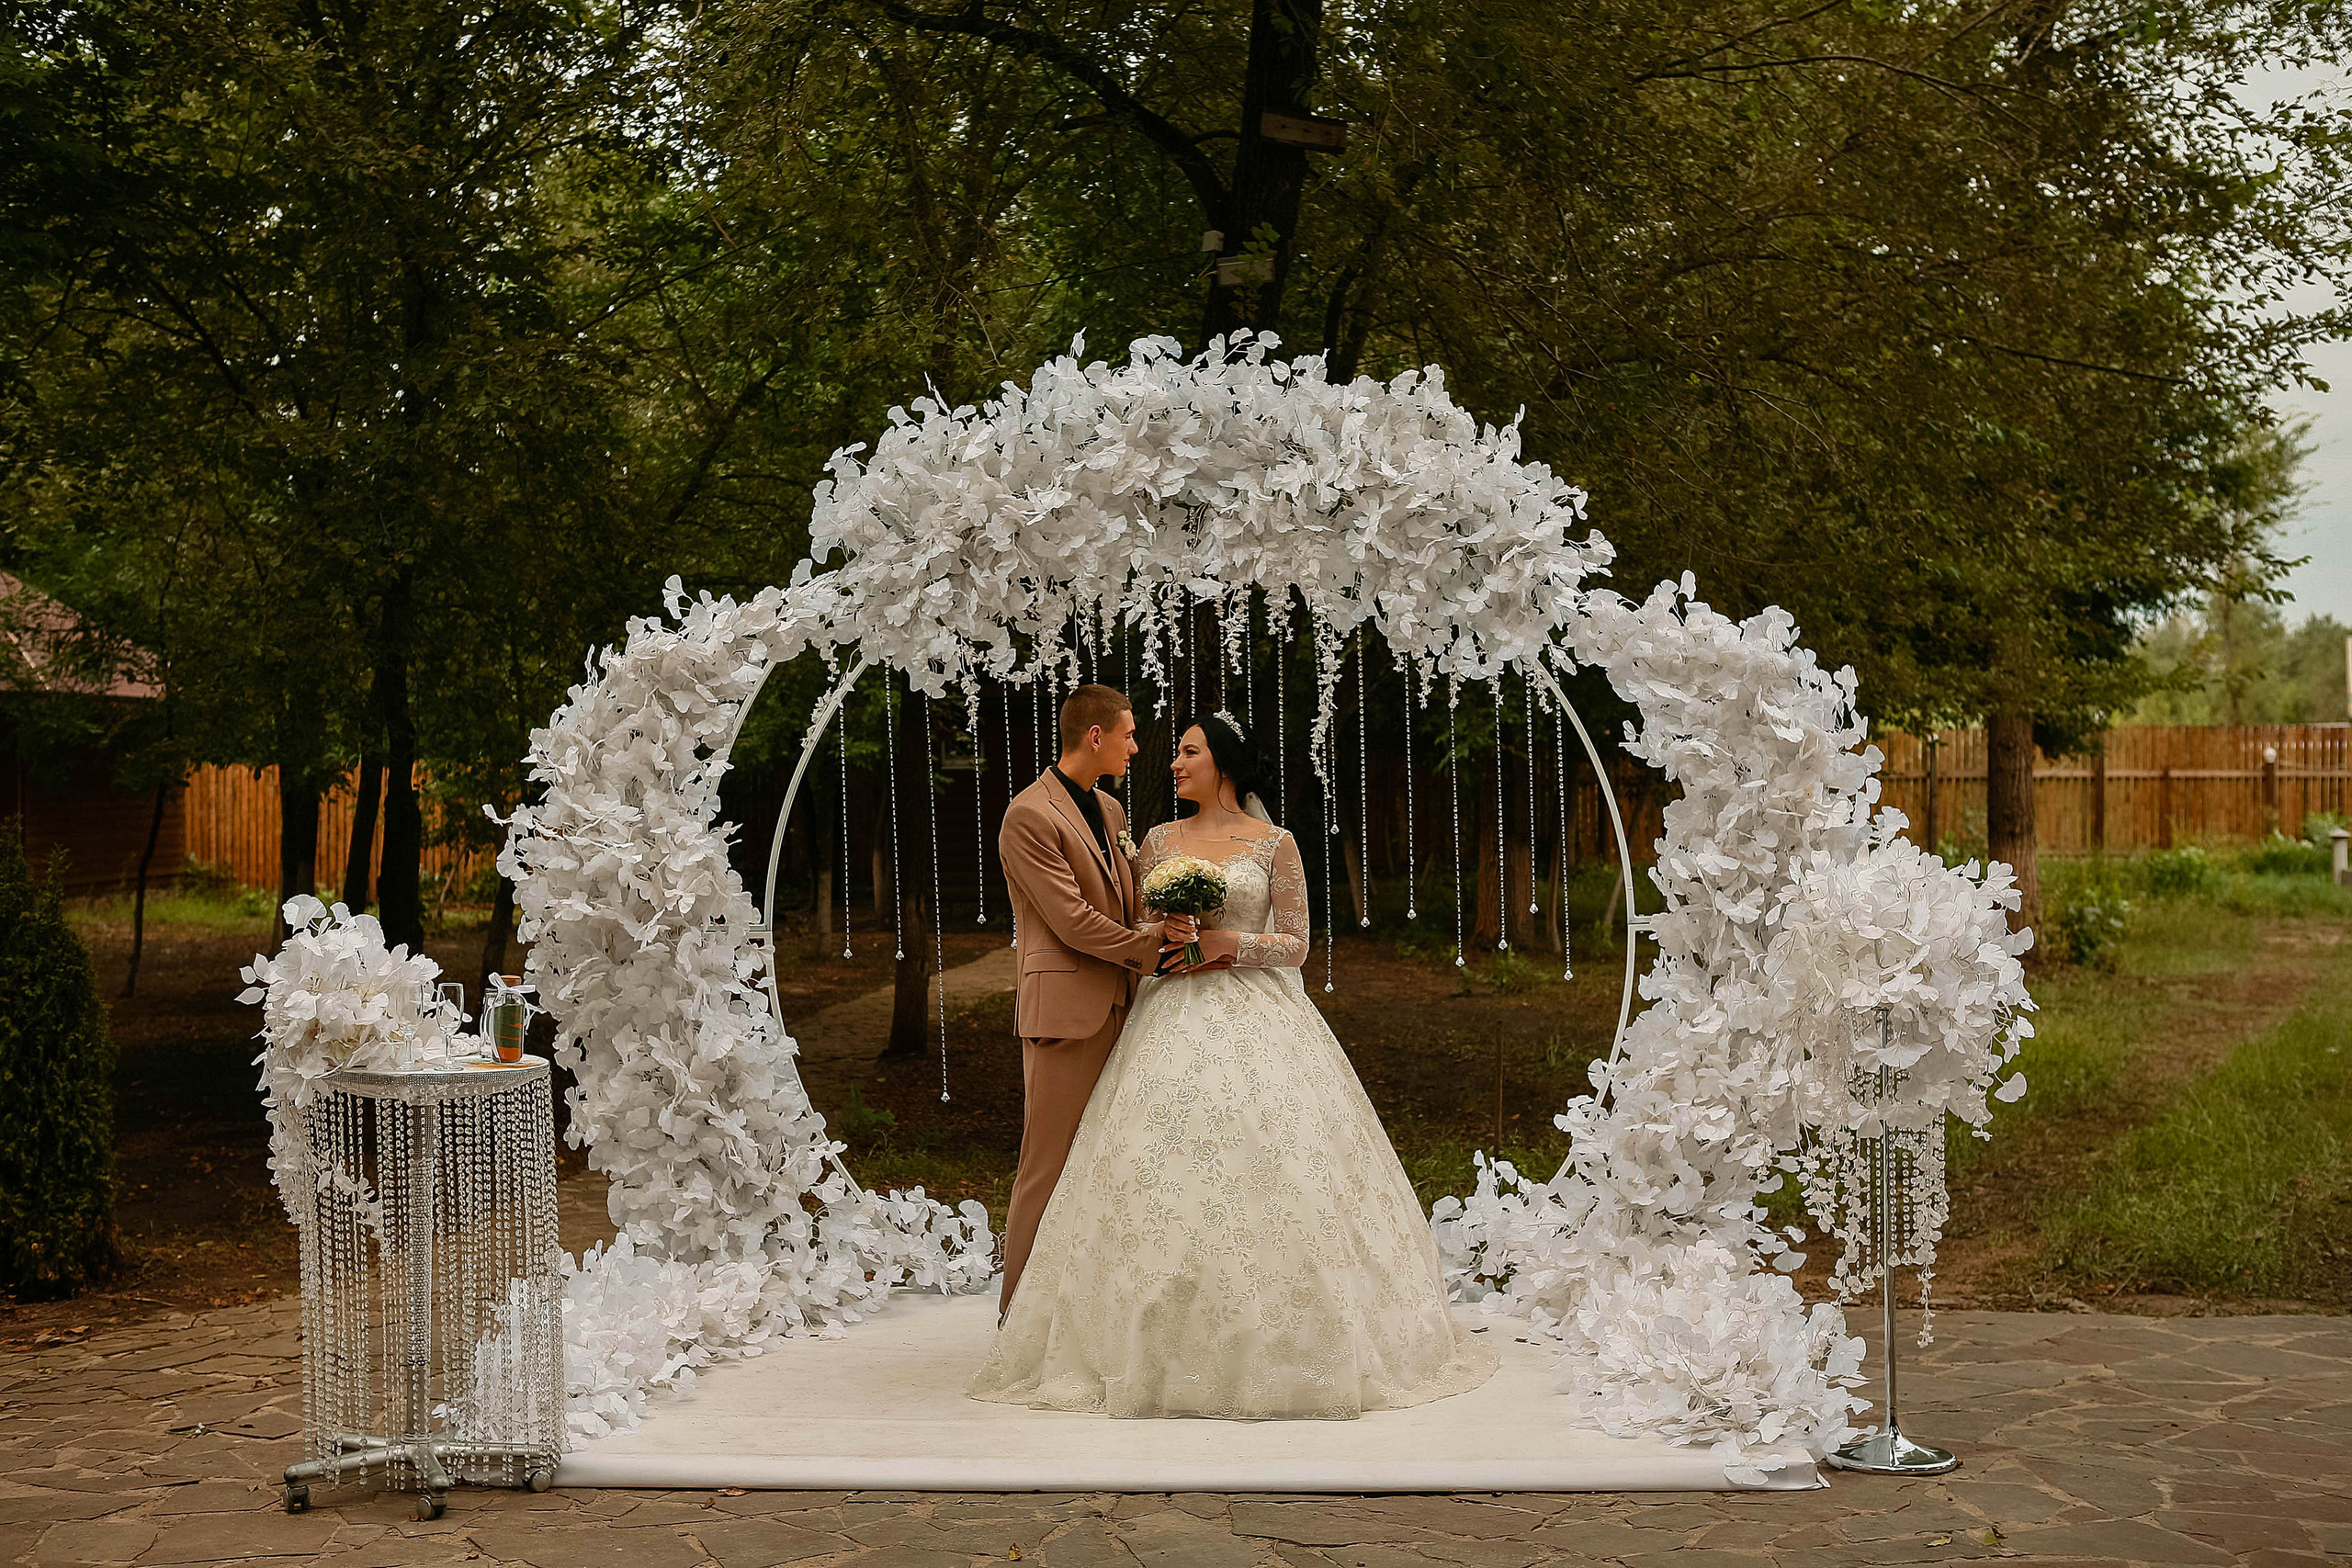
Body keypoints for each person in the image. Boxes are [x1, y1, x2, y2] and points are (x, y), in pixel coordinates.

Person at [970, 709, 1498, 1418]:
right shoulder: (1154, 839)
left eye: (1188, 752)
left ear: (1222, 761)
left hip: (1259, 1012)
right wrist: (1169, 937)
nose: (1172, 762)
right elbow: (1131, 922)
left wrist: (1230, 947)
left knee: (1275, 1156)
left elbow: (1297, 943)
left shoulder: (1274, 843)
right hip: (1164, 1011)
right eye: (1171, 751)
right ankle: (1115, 1334)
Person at [992, 682, 1191, 1321]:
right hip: (1067, 1014)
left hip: (1126, 1006)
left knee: (1112, 1163)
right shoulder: (1029, 815)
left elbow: (1127, 900)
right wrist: (1152, 945)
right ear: (1096, 736)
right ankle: (1016, 1316)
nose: (1138, 746)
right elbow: (1072, 921)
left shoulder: (1109, 810)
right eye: (1130, 735)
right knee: (1045, 1167)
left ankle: (1087, 1313)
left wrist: (1178, 915)